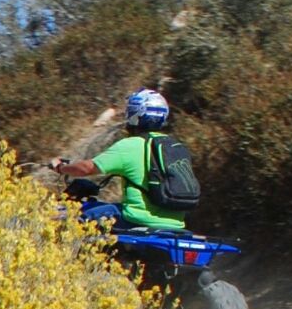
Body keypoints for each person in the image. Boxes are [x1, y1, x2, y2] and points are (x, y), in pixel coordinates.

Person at [54, 88, 190, 231]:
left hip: (136, 218)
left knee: (69, 216)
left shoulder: (130, 145)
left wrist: (60, 168)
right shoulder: (175, 146)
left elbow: (87, 168)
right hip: (175, 223)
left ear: (135, 115)